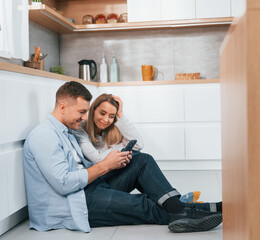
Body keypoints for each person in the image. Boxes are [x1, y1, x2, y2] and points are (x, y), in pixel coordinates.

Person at [23, 82, 222, 234]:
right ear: (63, 107)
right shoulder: (44, 136)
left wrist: (110, 165)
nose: (85, 118)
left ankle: (182, 209)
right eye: (82, 112)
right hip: (76, 204)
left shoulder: (66, 131)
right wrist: (105, 166)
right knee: (144, 204)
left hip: (87, 189)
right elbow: (64, 184)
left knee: (141, 160)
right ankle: (203, 209)